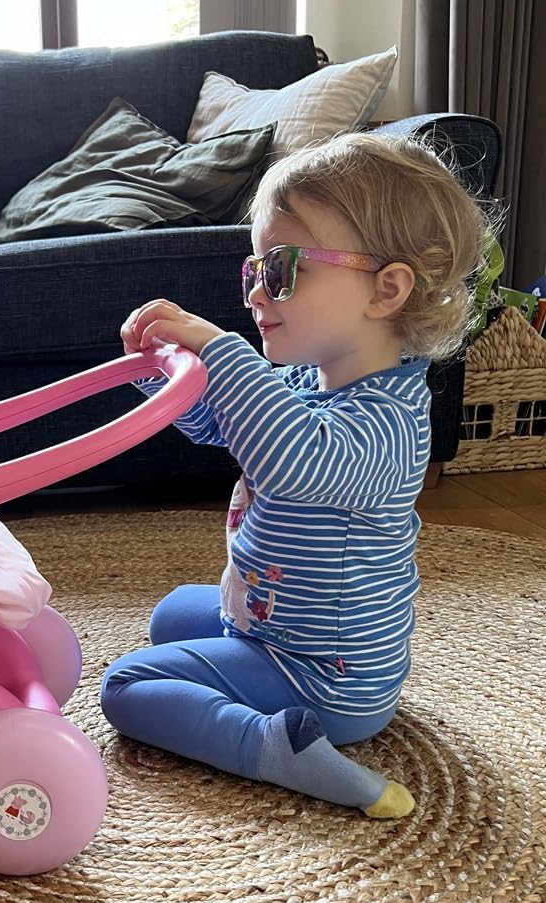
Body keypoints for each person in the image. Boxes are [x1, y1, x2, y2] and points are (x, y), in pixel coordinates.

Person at [100, 132, 494, 818]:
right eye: (251, 270)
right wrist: (164, 376)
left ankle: (275, 746)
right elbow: (228, 430)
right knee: (171, 615)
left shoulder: (389, 425)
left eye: (280, 269)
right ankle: (247, 687)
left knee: (128, 686)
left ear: (386, 289)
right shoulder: (312, 384)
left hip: (326, 677)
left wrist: (220, 351)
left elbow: (291, 458)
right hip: (276, 622)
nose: (257, 291)